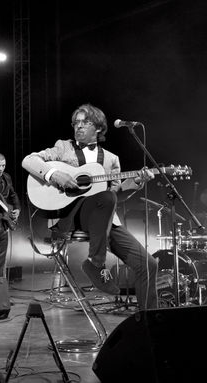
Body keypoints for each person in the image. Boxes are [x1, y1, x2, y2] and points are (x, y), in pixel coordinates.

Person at [21, 103, 158, 309]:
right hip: (70, 216)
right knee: (105, 199)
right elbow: (29, 160)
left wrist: (137, 183)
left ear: (99, 128)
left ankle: (149, 322)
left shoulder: (112, 159)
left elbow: (115, 196)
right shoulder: (63, 147)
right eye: (76, 122)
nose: (79, 126)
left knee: (148, 265)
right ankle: (96, 264)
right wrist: (53, 174)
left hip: (102, 218)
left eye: (85, 122)